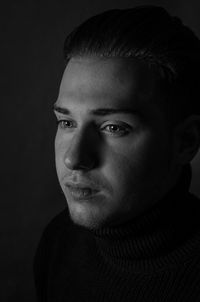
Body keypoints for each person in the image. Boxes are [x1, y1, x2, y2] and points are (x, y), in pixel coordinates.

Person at [34, 5, 200, 301]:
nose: (74, 158)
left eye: (113, 127)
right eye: (67, 122)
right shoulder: (59, 240)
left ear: (186, 142)